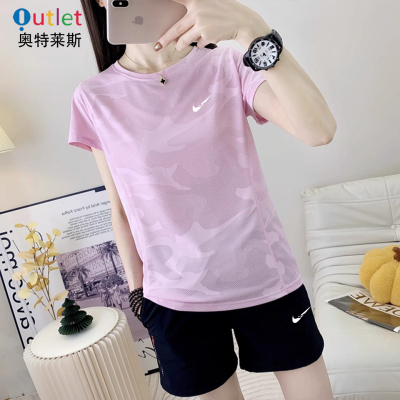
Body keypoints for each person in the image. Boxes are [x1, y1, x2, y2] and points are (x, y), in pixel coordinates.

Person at [69, 1, 337, 399]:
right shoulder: (94, 98)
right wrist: (139, 295)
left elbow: (319, 131)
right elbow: (121, 207)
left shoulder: (228, 65)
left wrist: (252, 28)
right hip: (175, 299)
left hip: (266, 279)